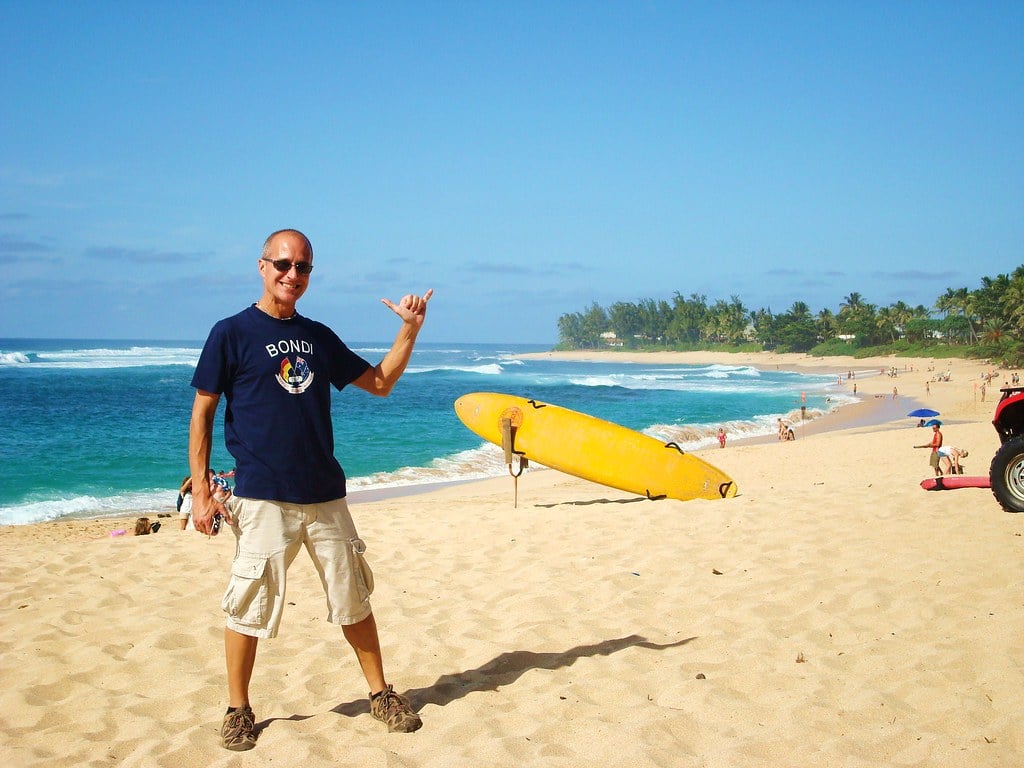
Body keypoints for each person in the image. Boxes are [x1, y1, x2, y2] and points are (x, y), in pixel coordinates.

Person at [188, 229, 432, 751]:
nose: (292, 275)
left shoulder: (318, 336)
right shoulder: (230, 333)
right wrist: (204, 491)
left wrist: (409, 331)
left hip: (324, 496)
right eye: (283, 264)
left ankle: (381, 694)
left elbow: (381, 382)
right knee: (247, 607)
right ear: (262, 266)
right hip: (261, 497)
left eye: (302, 268)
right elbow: (203, 412)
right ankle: (238, 709)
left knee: (354, 600)